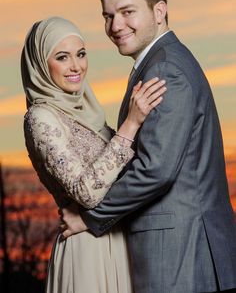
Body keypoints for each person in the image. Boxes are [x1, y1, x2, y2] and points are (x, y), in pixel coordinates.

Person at [61, 0, 236, 293]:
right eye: (108, 15)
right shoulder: (160, 61)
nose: (115, 26)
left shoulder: (165, 69)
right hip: (183, 246)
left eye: (127, 12)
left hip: (181, 250)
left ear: (159, 10)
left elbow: (156, 169)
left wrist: (90, 217)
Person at [21, 16, 166, 293]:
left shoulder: (88, 114)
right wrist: (131, 124)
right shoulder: (40, 118)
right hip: (86, 248)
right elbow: (86, 192)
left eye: (81, 54)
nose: (76, 66)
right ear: (40, 63)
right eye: (62, 57)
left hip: (115, 238)